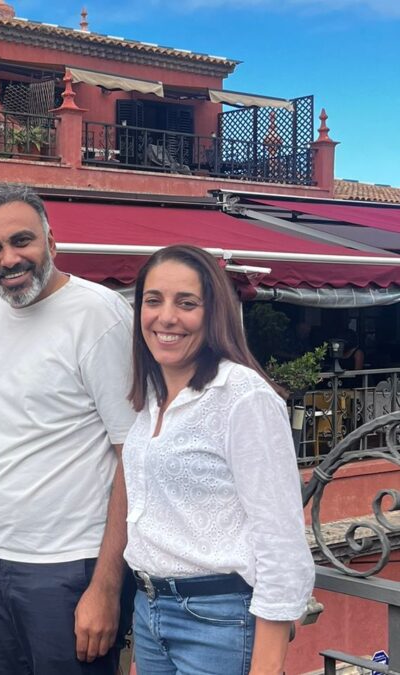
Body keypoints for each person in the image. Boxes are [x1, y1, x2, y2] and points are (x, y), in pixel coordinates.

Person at [0, 184, 136, 674]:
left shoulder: (99, 315)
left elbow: (134, 454)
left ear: (51, 240)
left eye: (22, 240)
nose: (9, 259)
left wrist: (105, 586)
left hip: (72, 569)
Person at [123, 245, 315, 675]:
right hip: (150, 610)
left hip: (218, 619)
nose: (166, 317)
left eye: (186, 303)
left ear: (214, 313)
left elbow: (281, 538)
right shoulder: (152, 396)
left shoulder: (242, 397)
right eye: (153, 300)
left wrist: (267, 665)